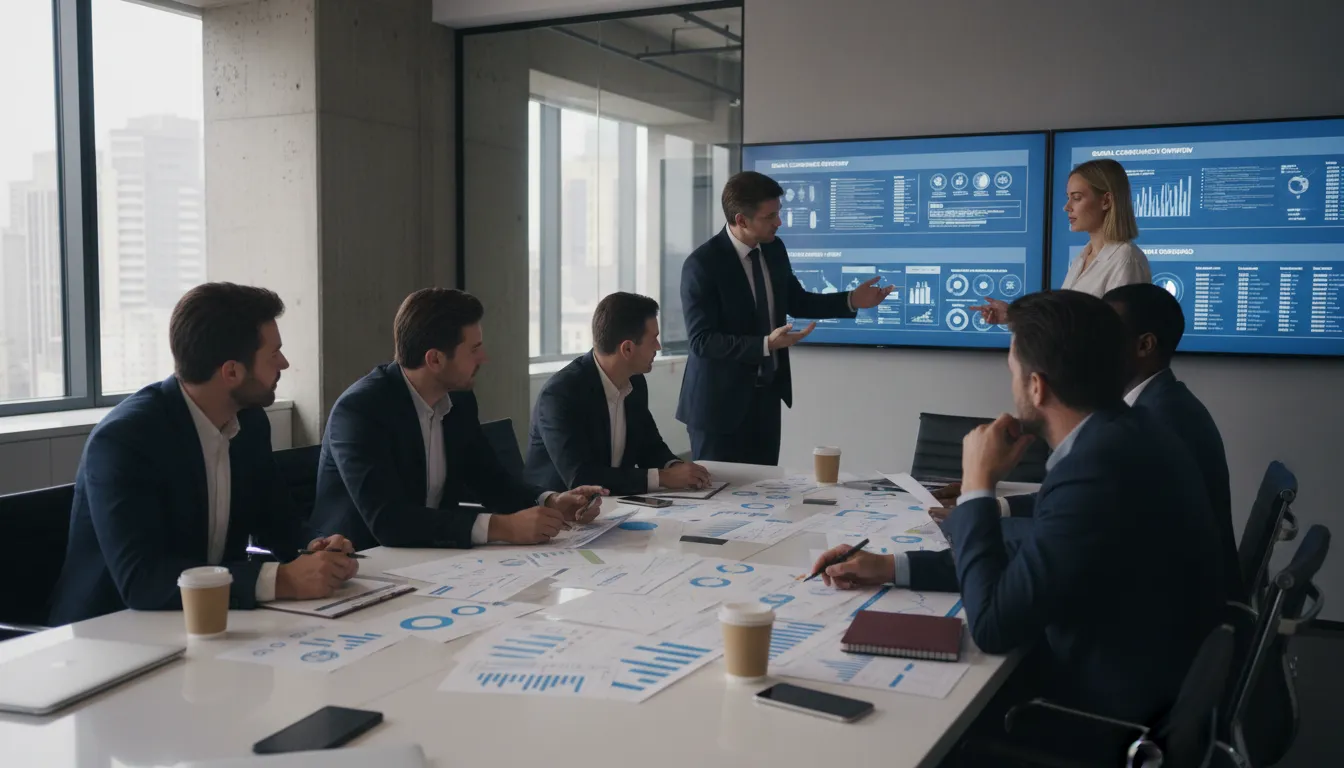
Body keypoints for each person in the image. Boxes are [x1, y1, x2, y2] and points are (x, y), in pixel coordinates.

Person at [814, 290, 1224, 725]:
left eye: (1012, 371)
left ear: (1036, 385)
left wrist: (977, 486)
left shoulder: (1096, 468)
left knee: (905, 718)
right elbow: (1034, 555)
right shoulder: (1122, 434)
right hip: (1144, 676)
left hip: (1100, 714)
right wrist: (890, 566)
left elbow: (993, 626)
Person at [49, 284, 359, 625]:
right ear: (231, 372)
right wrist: (281, 580)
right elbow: (144, 581)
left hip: (210, 622)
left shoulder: (249, 421)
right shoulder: (126, 439)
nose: (284, 363)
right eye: (274, 354)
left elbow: (277, 521)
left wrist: (318, 548)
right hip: (110, 636)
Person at [312, 288, 606, 551]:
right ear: (435, 359)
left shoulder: (459, 400)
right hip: (360, 564)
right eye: (474, 349)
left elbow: (490, 480)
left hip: (435, 559)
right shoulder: (360, 410)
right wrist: (503, 527)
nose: (484, 358)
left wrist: (552, 502)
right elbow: (389, 520)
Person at [677, 171, 894, 465]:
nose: (779, 223)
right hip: (718, 409)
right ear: (741, 220)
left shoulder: (774, 249)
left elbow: (797, 300)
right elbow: (702, 341)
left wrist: (852, 300)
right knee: (719, 499)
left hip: (765, 401)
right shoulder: (702, 265)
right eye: (770, 217)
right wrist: (765, 344)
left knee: (765, 497)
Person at [1105, 282, 1240, 600]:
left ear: (1145, 345)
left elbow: (1094, 517)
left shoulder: (1159, 421)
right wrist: (998, 506)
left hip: (1176, 612)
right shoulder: (1164, 402)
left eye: (1102, 334)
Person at [525, 292, 710, 496]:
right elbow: (580, 476)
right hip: (560, 516)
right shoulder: (560, 394)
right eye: (654, 339)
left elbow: (649, 444)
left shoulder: (635, 381)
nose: (658, 347)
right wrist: (663, 478)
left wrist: (675, 467)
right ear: (628, 349)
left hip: (615, 506)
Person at [972, 158, 1150, 323]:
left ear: (1106, 201)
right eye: (1068, 197)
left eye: (1077, 198)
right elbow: (1064, 322)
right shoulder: (1083, 256)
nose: (1067, 207)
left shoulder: (1126, 259)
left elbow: (1118, 336)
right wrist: (1012, 315)